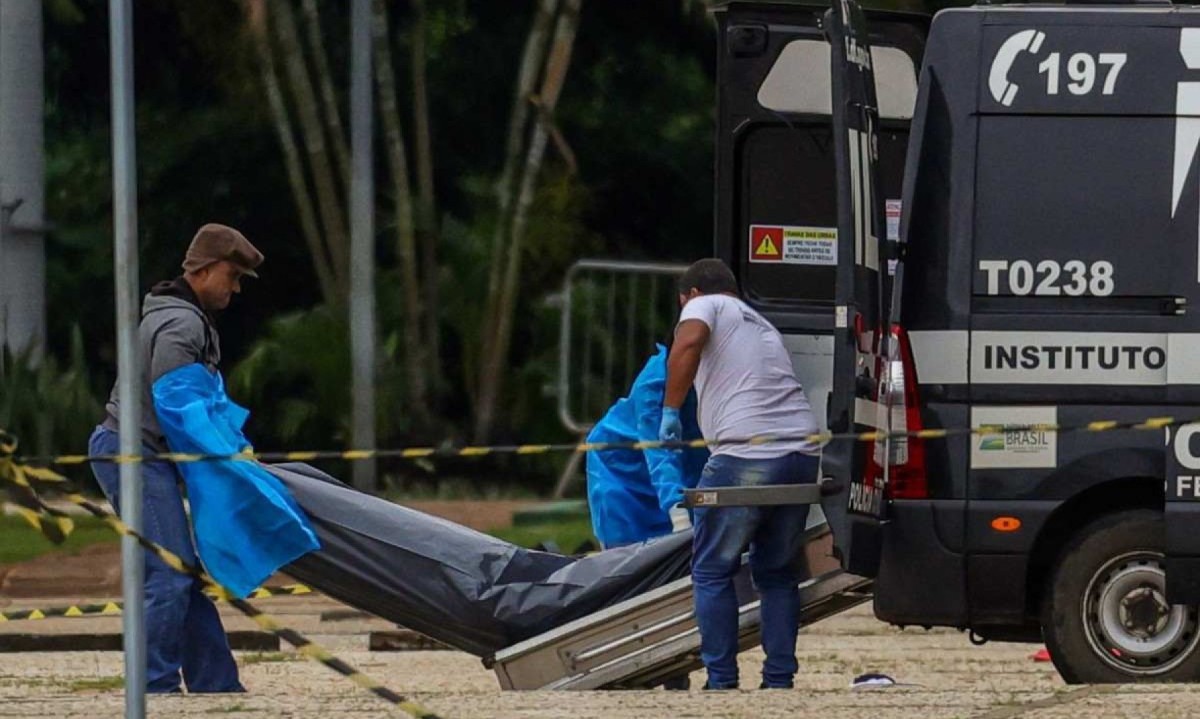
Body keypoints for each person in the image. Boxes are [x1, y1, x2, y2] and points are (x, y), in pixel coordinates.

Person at [88, 223, 263, 694]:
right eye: (233, 275)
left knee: (180, 572)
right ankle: (153, 689)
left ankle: (215, 683)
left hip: (140, 451)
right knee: (168, 574)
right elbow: (179, 405)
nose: (235, 287)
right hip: (132, 452)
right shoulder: (180, 324)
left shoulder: (183, 317)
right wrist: (226, 458)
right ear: (203, 271)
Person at [660, 258, 821, 691]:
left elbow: (689, 343)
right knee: (777, 574)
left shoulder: (703, 305)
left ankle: (722, 680)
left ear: (691, 294)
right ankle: (779, 681)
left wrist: (671, 410)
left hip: (747, 455)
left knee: (712, 570)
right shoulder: (760, 323)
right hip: (802, 455)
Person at [585, 344, 707, 549]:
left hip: (684, 468)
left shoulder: (716, 372)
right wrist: (678, 514)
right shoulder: (653, 383)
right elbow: (658, 451)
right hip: (620, 470)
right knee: (626, 556)